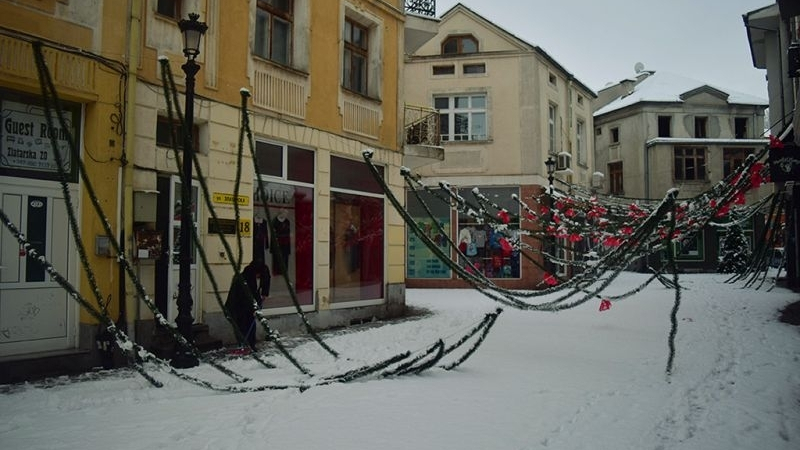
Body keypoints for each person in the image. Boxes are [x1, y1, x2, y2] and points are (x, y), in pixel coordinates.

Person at [225, 259, 270, 349]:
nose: (259, 277)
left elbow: (266, 280)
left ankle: (249, 345)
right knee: (242, 326)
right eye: (259, 275)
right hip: (237, 307)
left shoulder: (252, 275)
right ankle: (245, 345)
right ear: (256, 272)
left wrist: (264, 294)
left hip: (245, 307)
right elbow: (248, 296)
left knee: (249, 325)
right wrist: (255, 306)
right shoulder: (245, 279)